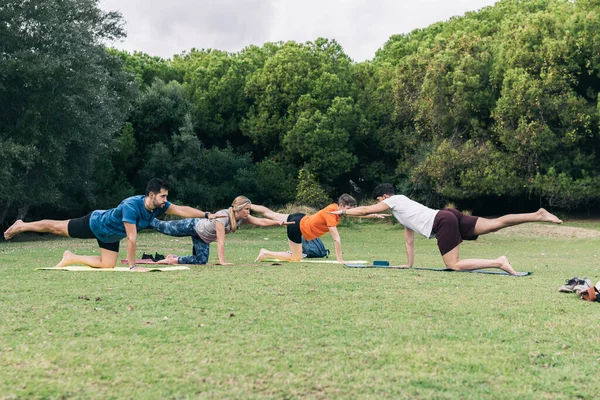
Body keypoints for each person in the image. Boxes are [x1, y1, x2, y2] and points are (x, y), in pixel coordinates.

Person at [329, 183, 563, 275]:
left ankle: (499, 262)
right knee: (496, 223)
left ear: (384, 196)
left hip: (442, 221)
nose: (382, 204)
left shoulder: (394, 200)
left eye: (381, 200)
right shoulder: (403, 209)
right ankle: (537, 214)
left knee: (453, 264)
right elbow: (409, 238)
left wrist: (344, 212)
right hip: (447, 215)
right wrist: (409, 264)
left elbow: (366, 210)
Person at [3, 179, 224, 272]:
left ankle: (70, 257)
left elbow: (183, 210)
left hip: (109, 237)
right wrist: (132, 266)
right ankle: (22, 225)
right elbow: (132, 237)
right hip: (96, 223)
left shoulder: (159, 206)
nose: (166, 200)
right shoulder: (131, 206)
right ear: (151, 195)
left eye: (166, 196)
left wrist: (207, 215)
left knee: (107, 265)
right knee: (56, 227)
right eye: (163, 196)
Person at [150, 196, 294, 265]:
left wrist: (279, 222)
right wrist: (222, 262)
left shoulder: (242, 218)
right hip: (193, 226)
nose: (248, 212)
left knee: (201, 261)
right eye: (246, 209)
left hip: (203, 238)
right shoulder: (223, 216)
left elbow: (261, 221)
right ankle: (146, 218)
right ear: (238, 208)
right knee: (163, 227)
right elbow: (220, 241)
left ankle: (172, 259)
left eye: (249, 209)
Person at [253, 194, 386, 263]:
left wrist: (374, 214)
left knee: (271, 214)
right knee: (296, 258)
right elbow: (336, 239)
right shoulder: (331, 215)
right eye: (349, 209)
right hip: (297, 226)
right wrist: (340, 260)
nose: (350, 212)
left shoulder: (335, 208)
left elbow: (356, 213)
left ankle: (248, 205)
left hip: (300, 218)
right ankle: (266, 252)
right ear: (341, 205)